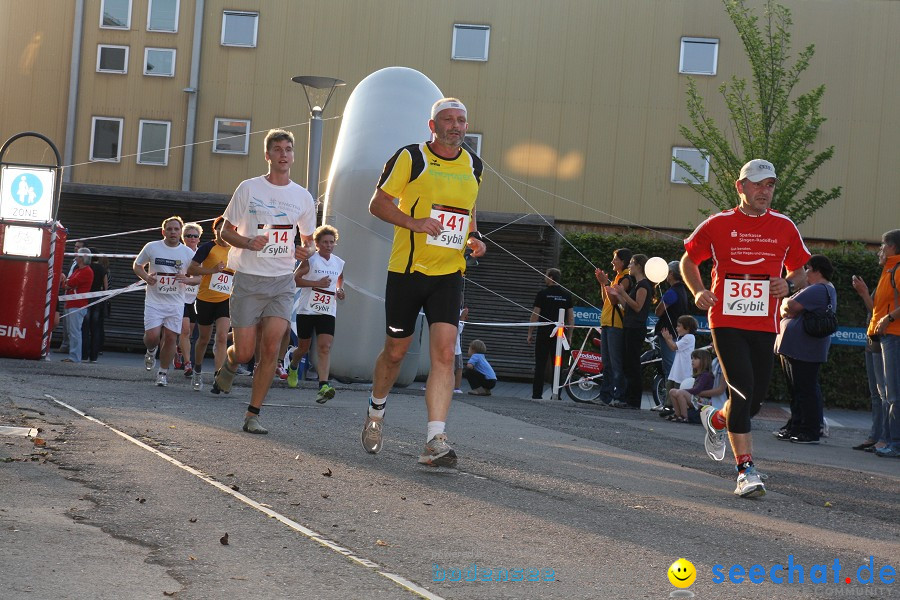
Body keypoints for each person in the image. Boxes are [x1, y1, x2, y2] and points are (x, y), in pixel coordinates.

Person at [360, 97, 487, 467]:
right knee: (396, 352)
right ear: (432, 126)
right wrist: (414, 223)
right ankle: (376, 411)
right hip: (408, 271)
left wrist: (476, 237)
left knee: (445, 354)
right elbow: (378, 203)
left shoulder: (473, 164)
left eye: (461, 120)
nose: (456, 126)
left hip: (449, 273)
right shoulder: (410, 157)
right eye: (448, 120)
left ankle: (435, 440)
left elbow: (469, 209)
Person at [681, 159, 810, 497]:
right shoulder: (718, 223)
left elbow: (800, 269)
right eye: (757, 184)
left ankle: (716, 420)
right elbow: (688, 260)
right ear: (740, 187)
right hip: (725, 320)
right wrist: (698, 291)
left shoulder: (784, 226)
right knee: (741, 389)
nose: (764, 191)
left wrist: (789, 284)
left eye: (769, 185)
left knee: (752, 401)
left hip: (764, 323)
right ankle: (745, 471)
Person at [212, 129, 316, 435]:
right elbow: (224, 232)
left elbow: (309, 241)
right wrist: (246, 242)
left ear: (293, 156)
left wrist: (304, 250)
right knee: (244, 352)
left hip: (282, 282)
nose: (284, 154)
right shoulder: (249, 188)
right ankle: (230, 365)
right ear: (267, 155)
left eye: (288, 149)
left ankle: (253, 413)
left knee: (270, 349)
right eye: (278, 149)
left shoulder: (302, 196)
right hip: (248, 279)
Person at [774, 254, 837, 444]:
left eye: (807, 269)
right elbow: (786, 307)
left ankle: (809, 430)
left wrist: (786, 305)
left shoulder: (819, 289)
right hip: (797, 348)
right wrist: (786, 306)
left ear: (817, 270)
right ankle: (796, 425)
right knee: (797, 389)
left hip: (804, 348)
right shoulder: (813, 289)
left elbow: (789, 305)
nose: (805, 273)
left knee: (805, 389)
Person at [133, 216, 200, 386]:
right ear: (163, 231)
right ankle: (150, 350)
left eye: (176, 229)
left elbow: (198, 277)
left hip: (176, 302)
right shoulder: (152, 247)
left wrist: (187, 279)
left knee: (171, 338)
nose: (173, 232)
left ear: (180, 232)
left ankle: (162, 373)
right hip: (155, 301)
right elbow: (137, 265)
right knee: (153, 337)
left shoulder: (188, 253)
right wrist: (147, 277)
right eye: (169, 229)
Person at [286, 224, 346, 404]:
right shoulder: (310, 260)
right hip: (307, 309)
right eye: (325, 242)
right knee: (303, 348)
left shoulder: (338, 262)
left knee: (325, 347)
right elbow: (294, 280)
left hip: (328, 310)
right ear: (318, 244)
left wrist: (340, 290)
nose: (329, 245)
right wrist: (316, 284)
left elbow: (340, 279)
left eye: (332, 242)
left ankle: (323, 386)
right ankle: (293, 364)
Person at [187, 216, 233, 392]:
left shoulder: (236, 250)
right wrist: (212, 271)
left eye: (227, 228)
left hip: (226, 299)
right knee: (204, 339)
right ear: (215, 230)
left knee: (221, 337)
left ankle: (218, 378)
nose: (223, 231)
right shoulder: (208, 247)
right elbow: (191, 269)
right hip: (205, 298)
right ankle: (197, 370)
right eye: (220, 228)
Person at [867, 229, 900, 458]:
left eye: (883, 245)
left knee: (893, 392)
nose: (880, 249)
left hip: (894, 335)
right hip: (881, 335)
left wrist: (889, 319)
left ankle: (894, 443)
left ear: (894, 247)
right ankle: (885, 440)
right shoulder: (888, 269)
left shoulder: (897, 268)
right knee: (884, 392)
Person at [611, 254, 652, 409]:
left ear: (639, 266)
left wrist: (623, 294)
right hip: (630, 326)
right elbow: (628, 307)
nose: (629, 266)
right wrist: (618, 295)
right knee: (628, 363)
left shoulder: (643, 286)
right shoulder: (638, 285)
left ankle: (634, 400)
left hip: (636, 328)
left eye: (632, 263)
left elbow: (637, 307)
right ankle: (629, 398)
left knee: (633, 364)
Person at [850, 272, 886, 451]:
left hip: (884, 341)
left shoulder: (894, 275)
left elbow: (879, 313)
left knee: (884, 393)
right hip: (873, 340)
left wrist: (864, 293)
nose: (880, 251)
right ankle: (876, 435)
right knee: (876, 393)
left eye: (883, 247)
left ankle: (884, 438)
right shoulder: (885, 274)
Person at [528, 268, 574, 400]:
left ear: (551, 277)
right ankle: (557, 395)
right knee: (557, 363)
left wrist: (530, 332)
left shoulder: (542, 294)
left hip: (544, 332)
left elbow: (535, 314)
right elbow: (570, 318)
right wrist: (569, 336)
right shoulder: (566, 295)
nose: (544, 278)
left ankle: (537, 394)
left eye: (546, 276)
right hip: (560, 334)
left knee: (540, 363)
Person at [594, 248, 632, 405]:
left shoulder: (626, 278)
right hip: (608, 323)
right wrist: (604, 285)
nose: (612, 262)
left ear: (622, 261)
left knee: (616, 364)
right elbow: (607, 300)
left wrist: (604, 282)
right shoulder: (617, 277)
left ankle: (619, 396)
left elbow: (615, 301)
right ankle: (606, 396)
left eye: (615, 259)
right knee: (607, 363)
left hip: (617, 324)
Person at [654, 260, 691, 382]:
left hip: (668, 333)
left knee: (669, 368)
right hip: (677, 333)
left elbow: (658, 312)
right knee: (674, 367)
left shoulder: (672, 292)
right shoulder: (683, 291)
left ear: (671, 274)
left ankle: (670, 398)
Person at [176, 222, 202, 377]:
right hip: (180, 297)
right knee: (184, 330)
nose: (192, 238)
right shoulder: (179, 252)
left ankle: (180, 350)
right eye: (188, 236)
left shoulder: (203, 254)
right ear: (183, 237)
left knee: (189, 333)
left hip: (196, 299)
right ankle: (187, 364)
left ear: (199, 239)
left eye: (195, 236)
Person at [60, 247, 93, 363]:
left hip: (77, 304)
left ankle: (75, 357)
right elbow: (67, 284)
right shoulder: (78, 270)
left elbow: (70, 283)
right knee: (71, 331)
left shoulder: (86, 271)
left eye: (78, 255)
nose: (75, 257)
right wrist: (67, 283)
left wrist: (66, 282)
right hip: (71, 303)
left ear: (82, 258)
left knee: (75, 332)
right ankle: (72, 356)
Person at [660, 314, 699, 403]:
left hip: (682, 372)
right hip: (676, 371)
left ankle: (675, 409)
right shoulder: (683, 337)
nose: (676, 328)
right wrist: (668, 339)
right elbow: (673, 347)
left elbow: (674, 347)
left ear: (687, 328)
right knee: (670, 387)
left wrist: (667, 338)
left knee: (678, 390)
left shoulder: (689, 337)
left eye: (679, 326)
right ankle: (668, 407)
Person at [668, 348, 714, 423]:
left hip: (704, 401)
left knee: (680, 393)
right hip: (697, 398)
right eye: (692, 358)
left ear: (703, 361)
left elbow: (697, 390)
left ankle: (684, 416)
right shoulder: (700, 375)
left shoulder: (706, 375)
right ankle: (677, 414)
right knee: (672, 391)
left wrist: (684, 391)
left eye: (695, 358)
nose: (692, 360)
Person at [82, 251, 109, 363]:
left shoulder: (86, 268)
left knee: (85, 327)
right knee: (96, 328)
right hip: (98, 298)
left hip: (87, 297)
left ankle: (84, 355)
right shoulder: (103, 269)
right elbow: (106, 287)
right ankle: (94, 356)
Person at [453, 306, 469, 394]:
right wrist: (462, 317)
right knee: (456, 368)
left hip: (456, 348)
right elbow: (458, 330)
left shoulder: (459, 311)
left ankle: (456, 387)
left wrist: (463, 317)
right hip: (452, 347)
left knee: (459, 368)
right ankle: (455, 387)